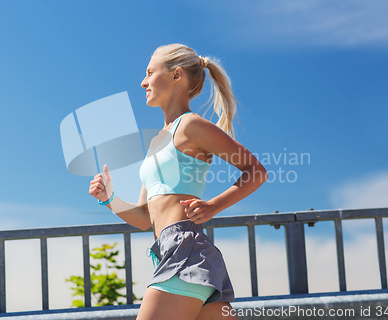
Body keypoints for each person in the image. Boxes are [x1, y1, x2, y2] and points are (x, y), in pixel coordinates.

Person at [89, 44, 267, 320]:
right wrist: (109, 199)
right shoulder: (157, 141)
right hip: (173, 252)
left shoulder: (191, 126)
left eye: (150, 72)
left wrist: (213, 206)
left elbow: (256, 171)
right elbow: (144, 218)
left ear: (177, 75)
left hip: (185, 248)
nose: (143, 82)